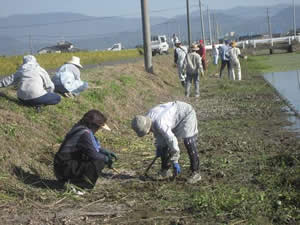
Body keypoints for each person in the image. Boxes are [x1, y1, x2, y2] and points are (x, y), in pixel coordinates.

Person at [131, 101, 201, 184]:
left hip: (186, 113)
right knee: (163, 145)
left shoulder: (160, 123)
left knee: (188, 141)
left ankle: (195, 172)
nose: (149, 133)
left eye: (147, 132)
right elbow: (159, 136)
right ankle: (165, 171)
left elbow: (172, 140)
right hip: (172, 118)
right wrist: (159, 147)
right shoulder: (146, 119)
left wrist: (175, 160)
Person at [54, 109, 117, 189]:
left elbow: (88, 148)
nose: (98, 129)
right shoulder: (84, 133)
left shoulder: (80, 128)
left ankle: (74, 181)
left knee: (95, 157)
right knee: (99, 161)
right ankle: (80, 185)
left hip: (63, 165)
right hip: (64, 167)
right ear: (93, 125)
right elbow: (94, 155)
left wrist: (102, 150)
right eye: (98, 127)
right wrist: (106, 158)